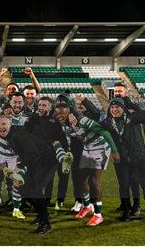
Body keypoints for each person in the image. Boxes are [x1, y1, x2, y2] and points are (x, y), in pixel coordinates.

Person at [0, 113, 67, 235]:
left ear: (10, 125)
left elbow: (32, 154)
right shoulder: (9, 134)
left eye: (4, 124)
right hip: (37, 160)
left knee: (33, 190)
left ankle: (45, 223)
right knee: (24, 189)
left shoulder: (18, 135)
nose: (1, 127)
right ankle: (41, 217)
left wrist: (21, 168)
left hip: (46, 160)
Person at [54, 94, 120, 226]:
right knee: (81, 180)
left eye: (63, 111)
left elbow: (104, 132)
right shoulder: (66, 126)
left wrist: (114, 150)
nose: (60, 114)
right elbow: (76, 138)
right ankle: (87, 206)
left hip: (101, 147)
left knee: (93, 180)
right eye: (58, 112)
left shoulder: (82, 120)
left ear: (69, 110)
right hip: (88, 147)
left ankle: (98, 214)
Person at [100, 97, 145, 224]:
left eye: (118, 107)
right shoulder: (107, 122)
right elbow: (94, 120)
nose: (115, 109)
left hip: (139, 157)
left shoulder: (133, 117)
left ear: (123, 108)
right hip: (121, 160)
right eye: (113, 107)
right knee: (124, 186)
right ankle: (126, 212)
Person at [0, 93, 28, 220]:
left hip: (15, 155)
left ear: (23, 103)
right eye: (14, 102)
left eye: (20, 102)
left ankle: (16, 209)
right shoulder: (1, 114)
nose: (17, 105)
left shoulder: (27, 119)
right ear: (10, 103)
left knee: (17, 181)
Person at [113, 82, 142, 215]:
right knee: (122, 180)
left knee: (133, 179)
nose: (118, 93)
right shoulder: (113, 107)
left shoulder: (133, 107)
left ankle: (136, 205)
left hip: (132, 150)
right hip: (119, 150)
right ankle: (125, 204)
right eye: (116, 91)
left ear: (126, 92)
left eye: (120, 91)